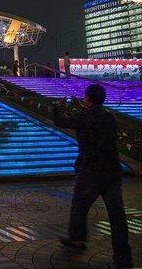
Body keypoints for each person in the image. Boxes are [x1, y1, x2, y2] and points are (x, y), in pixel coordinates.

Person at [54, 85, 133, 268]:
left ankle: (77, 239)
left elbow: (61, 121)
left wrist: (58, 107)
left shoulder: (85, 116)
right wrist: (81, 106)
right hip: (113, 171)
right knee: (117, 216)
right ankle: (123, 258)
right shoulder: (109, 116)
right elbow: (92, 116)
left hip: (91, 171)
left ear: (88, 98)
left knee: (79, 206)